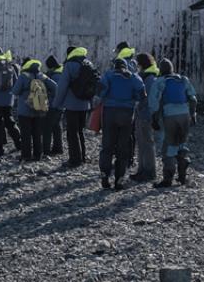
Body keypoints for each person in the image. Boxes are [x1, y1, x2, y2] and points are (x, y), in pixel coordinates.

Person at [148, 58, 198, 187]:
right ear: (172, 69)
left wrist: (154, 119)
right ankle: (182, 176)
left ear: (161, 70)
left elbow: (154, 102)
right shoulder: (183, 80)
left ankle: (167, 179)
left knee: (169, 146)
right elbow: (193, 99)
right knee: (181, 143)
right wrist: (193, 115)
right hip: (184, 114)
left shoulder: (160, 82)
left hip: (170, 115)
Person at [98, 57, 144, 190]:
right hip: (127, 113)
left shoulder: (108, 75)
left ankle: (105, 175)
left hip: (110, 113)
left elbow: (100, 91)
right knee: (123, 148)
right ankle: (119, 179)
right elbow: (142, 94)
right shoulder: (133, 77)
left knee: (107, 146)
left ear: (114, 66)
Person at [53, 46, 94, 168]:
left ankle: (74, 159)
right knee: (80, 131)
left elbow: (62, 86)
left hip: (72, 105)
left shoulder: (69, 65)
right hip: (85, 104)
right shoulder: (87, 63)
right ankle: (82, 156)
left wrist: (56, 103)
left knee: (72, 132)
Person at [130, 52, 159, 183]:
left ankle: (149, 171)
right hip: (142, 114)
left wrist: (138, 105)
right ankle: (142, 169)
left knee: (147, 143)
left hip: (145, 115)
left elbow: (148, 98)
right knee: (141, 143)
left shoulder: (149, 78)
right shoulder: (147, 76)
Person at [14, 59, 50, 162]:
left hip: (24, 109)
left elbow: (15, 91)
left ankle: (26, 156)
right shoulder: (42, 76)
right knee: (37, 133)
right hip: (39, 109)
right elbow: (55, 87)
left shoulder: (23, 76)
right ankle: (38, 155)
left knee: (26, 134)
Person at [41, 56, 64, 157]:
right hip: (61, 105)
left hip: (52, 105)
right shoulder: (62, 73)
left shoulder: (54, 76)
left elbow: (55, 90)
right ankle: (58, 148)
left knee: (47, 128)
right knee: (57, 126)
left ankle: (46, 150)